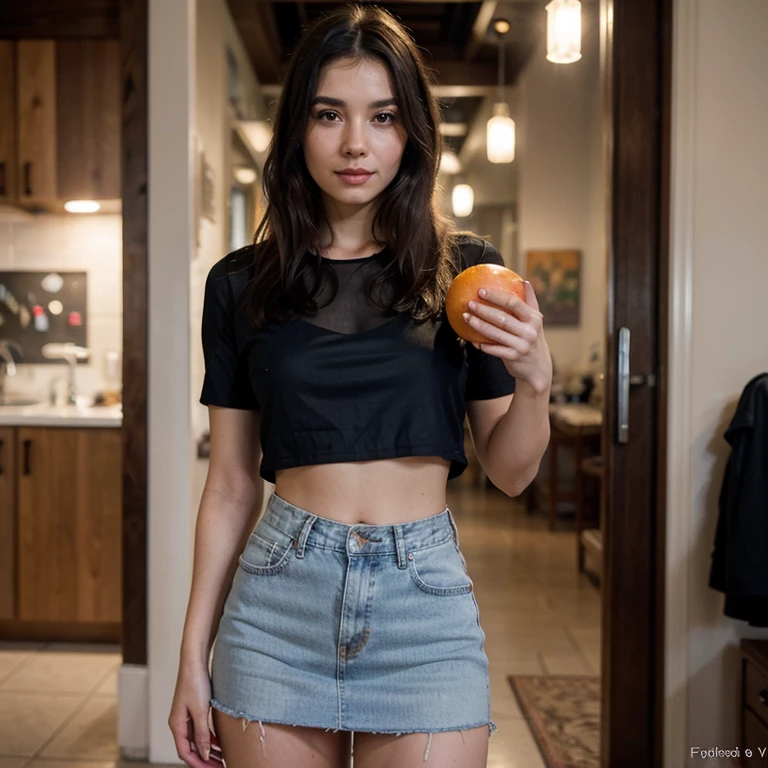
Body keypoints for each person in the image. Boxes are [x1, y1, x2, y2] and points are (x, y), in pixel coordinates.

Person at [169, 4, 552, 767]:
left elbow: (512, 474)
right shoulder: (240, 284)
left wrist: (534, 382)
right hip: (278, 608)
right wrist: (190, 652)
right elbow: (232, 486)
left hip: (426, 612)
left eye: (382, 116)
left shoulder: (466, 272)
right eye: (328, 114)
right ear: (297, 131)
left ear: (410, 132)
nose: (355, 143)